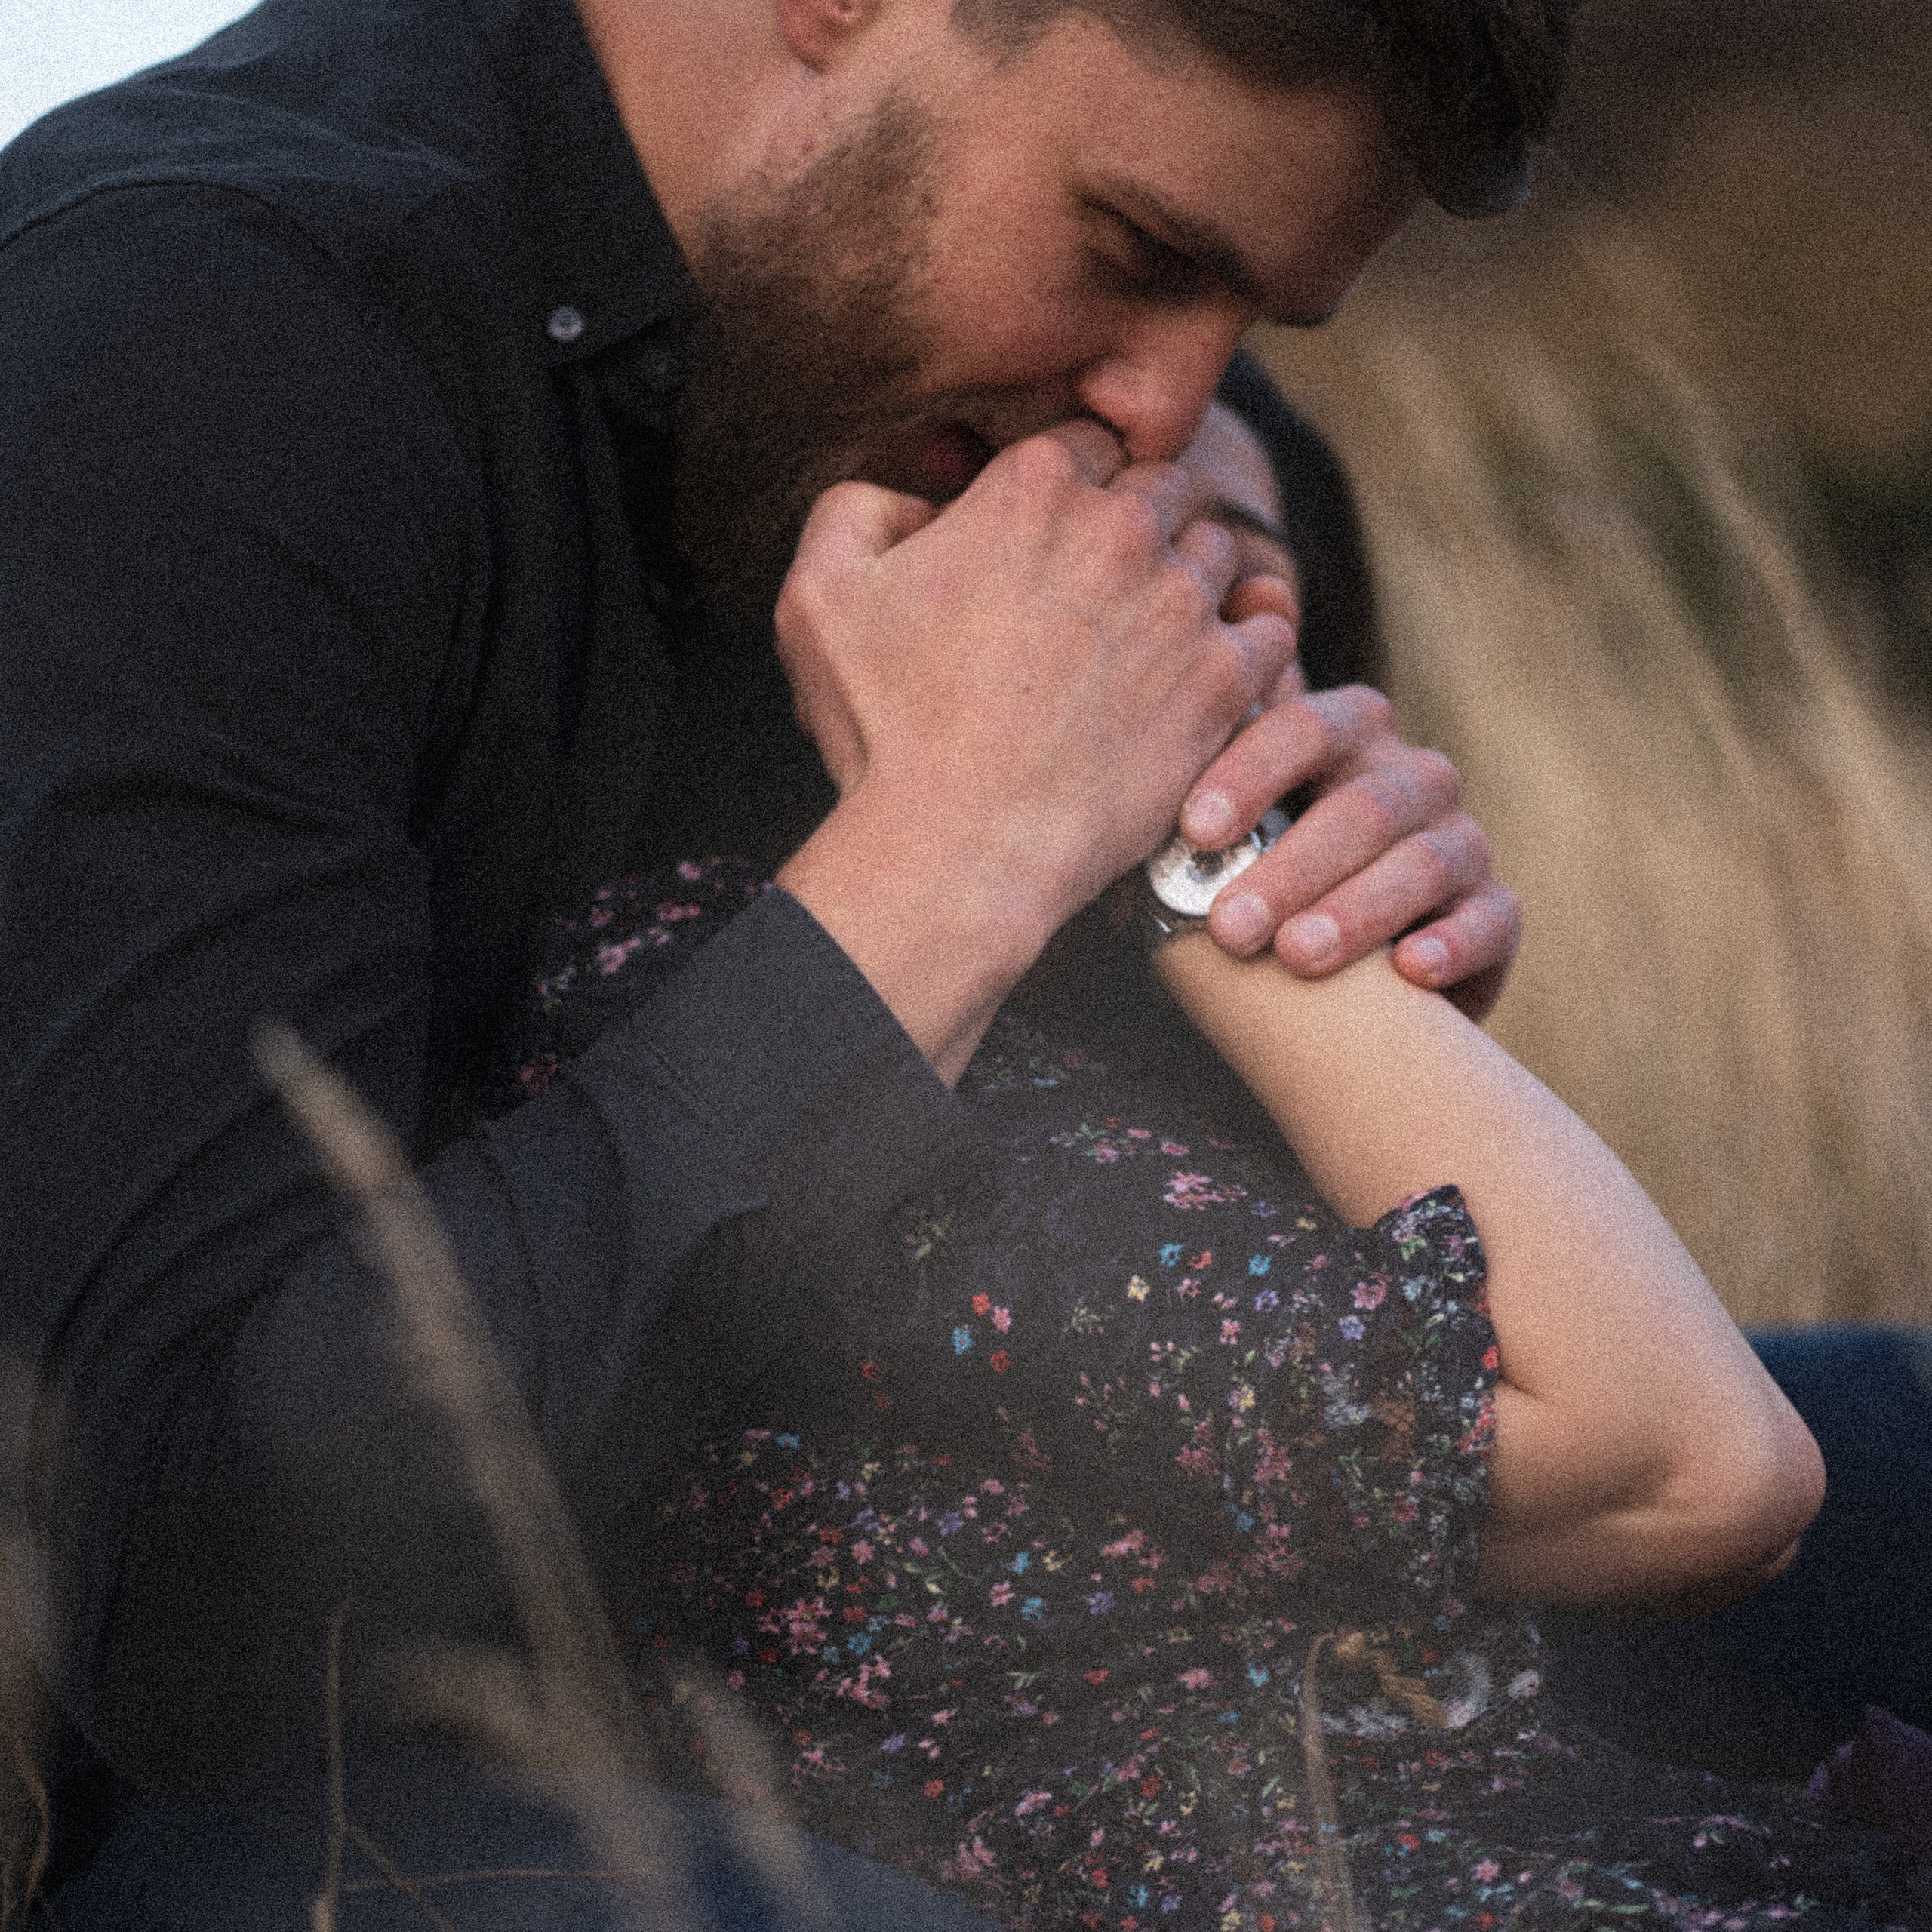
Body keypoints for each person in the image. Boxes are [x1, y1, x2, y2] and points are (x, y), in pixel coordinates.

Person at [0, 0, 1550, 1918]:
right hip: (261, 1806)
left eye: (1247, 323)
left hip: (980, 1715)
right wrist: (951, 863)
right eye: (1141, 255)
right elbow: (186, 1600)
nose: (1165, 406)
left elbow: (1165, 1364)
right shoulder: (195, 340)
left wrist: (1292, 950)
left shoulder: (1141, 472)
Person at [467, 408, 1920, 1930]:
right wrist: (1207, 863)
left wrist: (1368, 980)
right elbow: (1704, 1469)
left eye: (1212, 581)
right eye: (1086, 563)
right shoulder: (744, 1008)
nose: (1150, 640)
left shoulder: (1138, 1067)